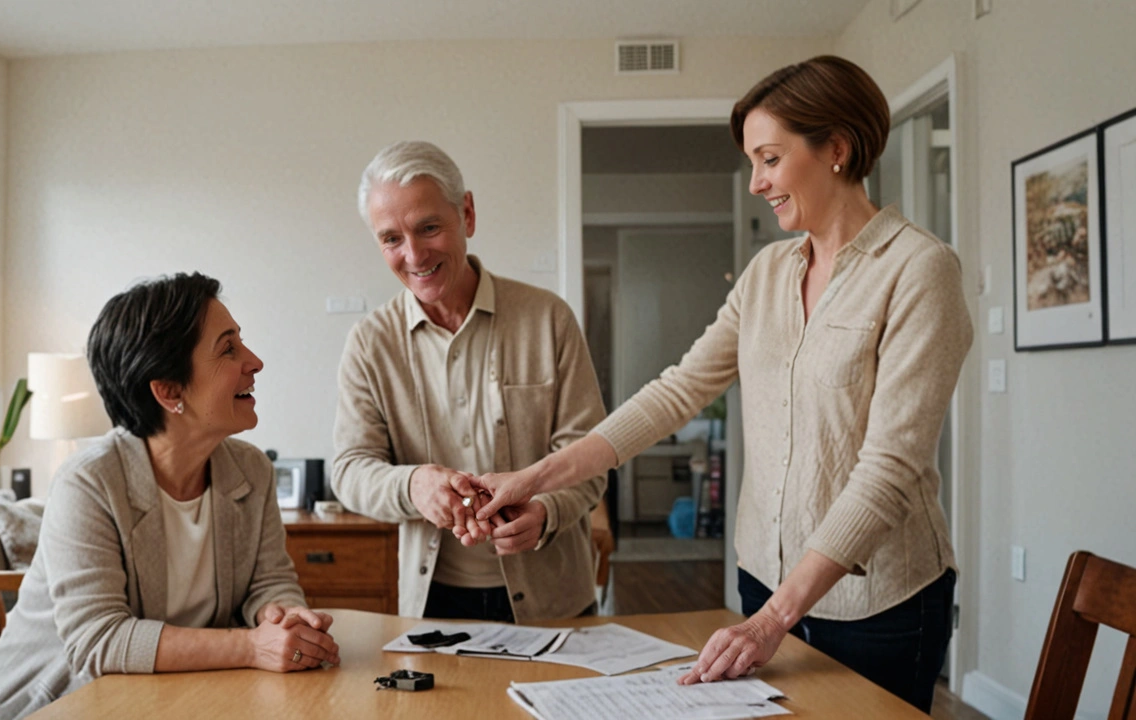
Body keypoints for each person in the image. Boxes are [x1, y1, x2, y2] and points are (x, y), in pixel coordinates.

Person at [467, 56, 972, 712]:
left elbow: (889, 470)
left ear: (837, 149)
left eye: (769, 158)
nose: (757, 182)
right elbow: (676, 391)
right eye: (752, 163)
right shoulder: (766, 272)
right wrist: (534, 477)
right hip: (763, 578)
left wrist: (772, 622)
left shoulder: (919, 270)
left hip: (878, 602)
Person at [0, 272, 340, 719]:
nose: (254, 362)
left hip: (171, 700)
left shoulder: (251, 470)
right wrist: (251, 646)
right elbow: (99, 639)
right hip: (54, 702)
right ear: (168, 390)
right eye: (228, 349)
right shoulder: (89, 483)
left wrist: (285, 620)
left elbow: (269, 581)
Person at [330, 141, 606, 624]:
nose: (413, 255)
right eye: (391, 239)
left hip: (555, 600)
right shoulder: (370, 342)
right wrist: (412, 484)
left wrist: (544, 511)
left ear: (468, 214)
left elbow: (590, 458)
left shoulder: (549, 319)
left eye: (429, 228)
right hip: (433, 604)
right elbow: (350, 471)